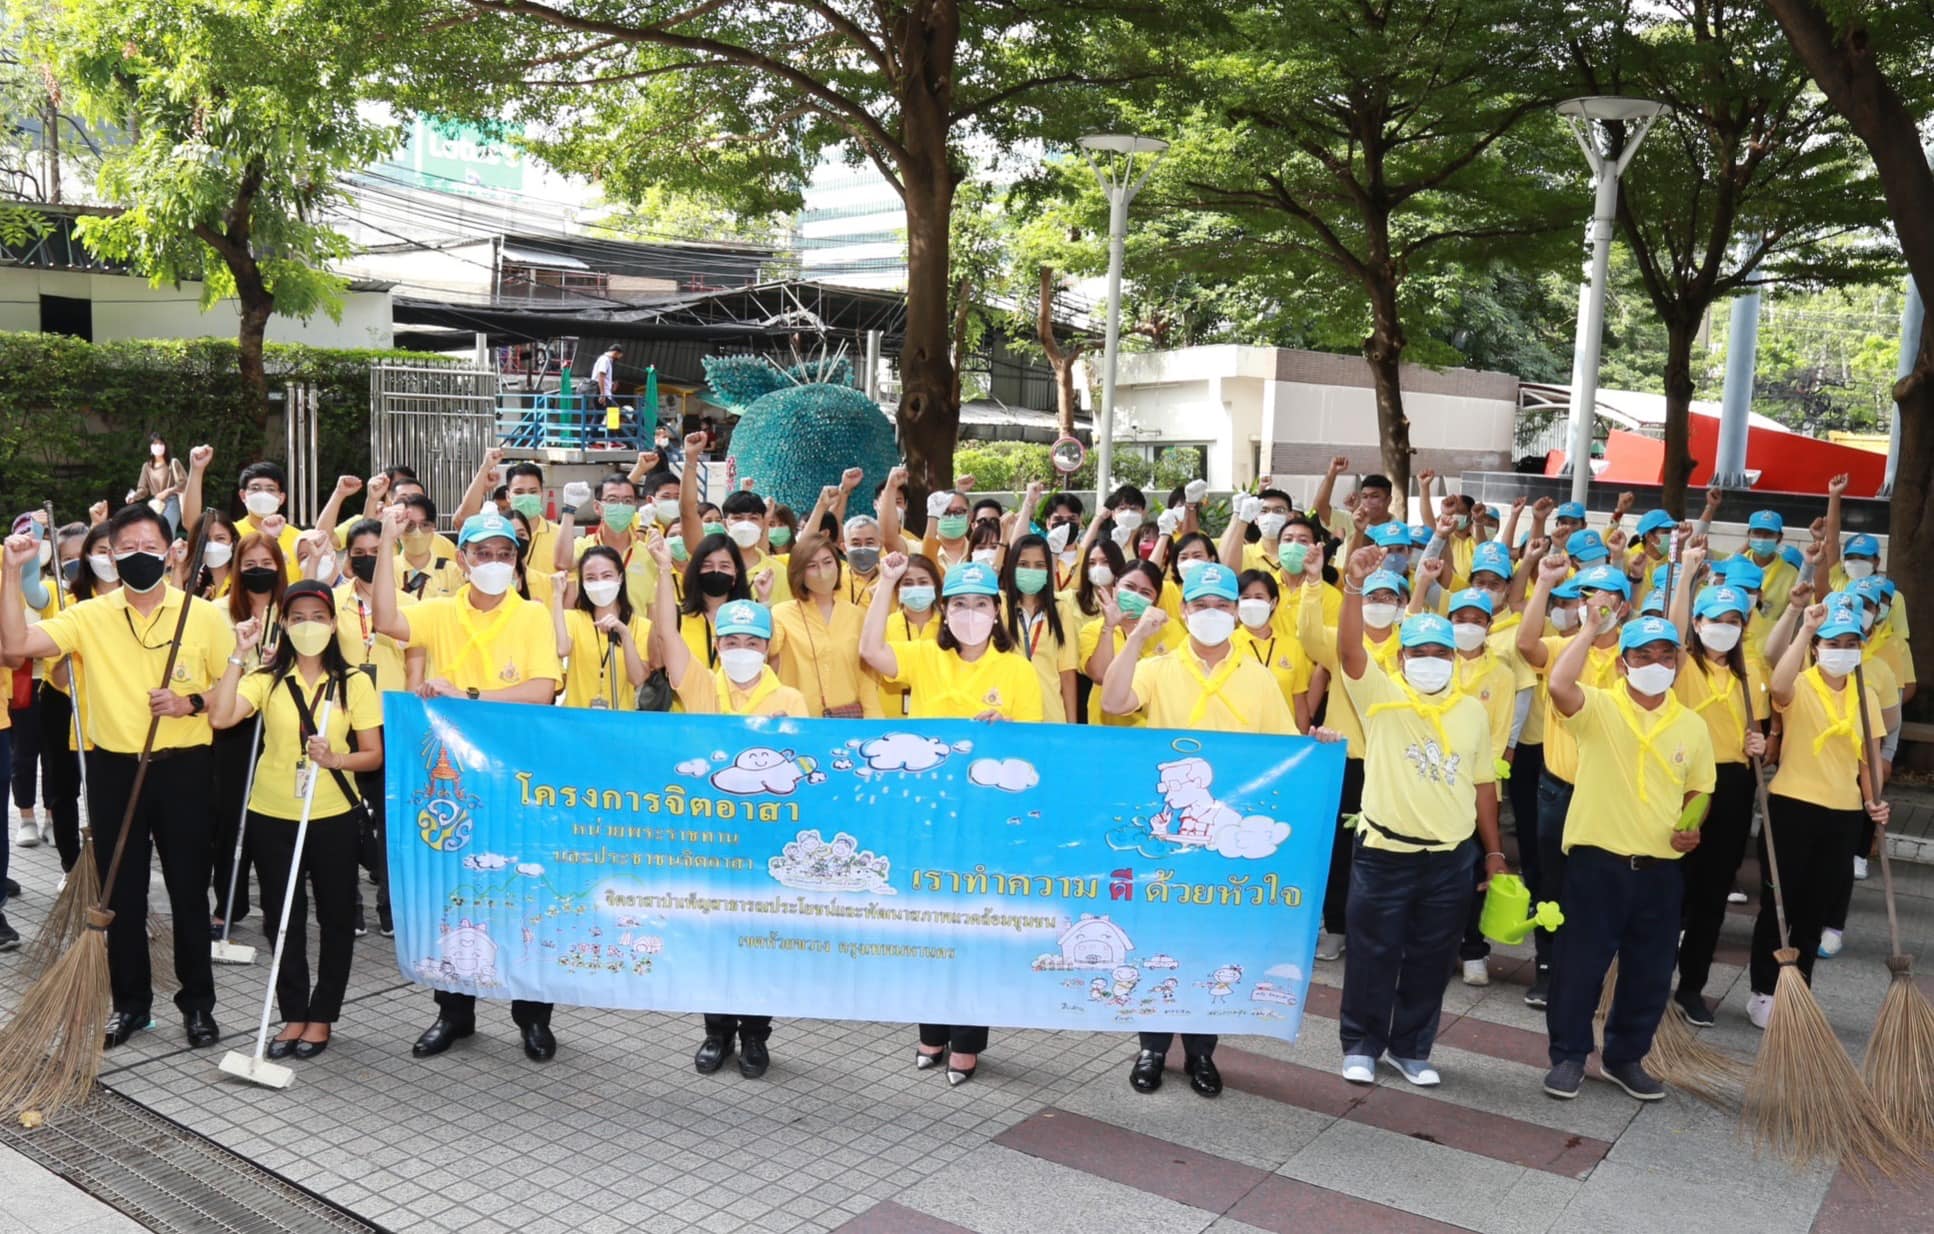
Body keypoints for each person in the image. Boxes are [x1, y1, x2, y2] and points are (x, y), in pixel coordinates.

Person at [2, 505, 236, 1049]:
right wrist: (12, 572)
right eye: (124, 548)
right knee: (121, 892)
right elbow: (14, 647)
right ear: (108, 556)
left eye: (149, 547)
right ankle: (131, 1005)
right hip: (112, 769)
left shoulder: (202, 615)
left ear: (172, 552)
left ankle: (198, 1004)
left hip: (183, 769)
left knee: (188, 890)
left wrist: (191, 701)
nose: (137, 557)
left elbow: (236, 691)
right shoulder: (89, 615)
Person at [370, 506, 563, 1061]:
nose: (495, 563)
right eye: (484, 553)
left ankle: (533, 1017)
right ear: (463, 559)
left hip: (517, 777)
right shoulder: (439, 611)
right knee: (455, 891)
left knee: (524, 891)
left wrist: (470, 697)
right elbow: (385, 618)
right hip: (455, 784)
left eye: (505, 554)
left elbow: (543, 689)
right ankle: (454, 1013)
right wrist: (386, 539)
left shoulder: (530, 616)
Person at [1101, 561, 1298, 1096]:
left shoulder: (1259, 678)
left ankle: (1202, 1052)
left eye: (1222, 605)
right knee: (1158, 938)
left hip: (1222, 842)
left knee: (1214, 941)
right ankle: (1152, 1047)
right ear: (1184, 611)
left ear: (1236, 612)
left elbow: (1286, 753)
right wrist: (1136, 637)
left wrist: (1319, 745)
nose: (1212, 614)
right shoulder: (1159, 667)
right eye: (1201, 605)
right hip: (1167, 845)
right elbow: (1113, 702)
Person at [862, 556, 1042, 1087]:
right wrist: (887, 582)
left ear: (996, 611)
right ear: (944, 611)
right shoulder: (924, 656)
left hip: (986, 820)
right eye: (959, 604)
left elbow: (1036, 748)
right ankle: (931, 1033)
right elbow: (871, 651)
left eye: (980, 604)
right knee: (930, 924)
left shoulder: (1018, 670)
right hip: (928, 819)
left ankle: (966, 1042)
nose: (969, 613)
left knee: (974, 930)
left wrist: (1008, 729)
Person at [1327, 539, 1498, 1088]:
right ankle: (1361, 1044)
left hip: (1450, 859)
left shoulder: (1472, 711)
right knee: (1373, 954)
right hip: (1385, 854)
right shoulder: (1381, 698)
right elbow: (1350, 653)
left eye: (1439, 653)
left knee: (1432, 957)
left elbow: (1483, 782)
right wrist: (1354, 586)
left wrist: (1493, 853)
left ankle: (1411, 1048)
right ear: (1401, 659)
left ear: (1453, 659)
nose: (1429, 661)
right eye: (1418, 653)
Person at [1541, 614, 1715, 1101]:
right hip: (1597, 862)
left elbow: (1700, 788)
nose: (1655, 664)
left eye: (1665, 655)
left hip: (1660, 869)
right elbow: (1558, 684)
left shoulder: (1692, 725)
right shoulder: (1598, 707)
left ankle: (1625, 1058)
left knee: (1651, 971)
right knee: (1579, 966)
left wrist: (1693, 826)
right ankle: (1569, 1056)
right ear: (1622, 664)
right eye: (1643, 655)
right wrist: (1588, 630)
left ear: (1678, 663)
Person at [651, 536, 806, 1077]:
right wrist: (663, 572)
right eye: (732, 640)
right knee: (714, 938)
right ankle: (716, 1033)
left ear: (767, 647)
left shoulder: (790, 700)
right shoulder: (700, 687)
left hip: (767, 842)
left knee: (760, 940)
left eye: (752, 641)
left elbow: (802, 774)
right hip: (712, 839)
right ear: (717, 645)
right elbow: (667, 634)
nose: (742, 649)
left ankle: (756, 1036)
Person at [207, 581, 382, 1059]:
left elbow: (372, 754)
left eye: (318, 617)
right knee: (282, 917)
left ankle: (322, 1015)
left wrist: (336, 759)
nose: (309, 626)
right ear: (283, 624)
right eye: (298, 617)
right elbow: (221, 718)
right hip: (271, 814)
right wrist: (238, 654)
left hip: (333, 815)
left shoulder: (354, 682)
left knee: (336, 916)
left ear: (333, 624)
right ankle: (293, 1013)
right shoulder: (265, 678)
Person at [1743, 596, 1890, 1029]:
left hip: (1843, 814)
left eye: (1851, 643)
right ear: (1816, 647)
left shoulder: (1866, 696)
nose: (1842, 650)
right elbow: (1778, 685)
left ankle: (1799, 991)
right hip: (1792, 807)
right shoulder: (1801, 683)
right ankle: (1763, 991)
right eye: (1833, 643)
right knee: (1780, 906)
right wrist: (1806, 627)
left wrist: (1874, 801)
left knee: (1815, 910)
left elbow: (1869, 759)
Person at [1514, 558, 1632, 1009]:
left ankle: (1593, 972)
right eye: (1586, 597)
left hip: (1609, 793)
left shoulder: (1632, 656)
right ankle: (1547, 969)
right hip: (1559, 788)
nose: (1595, 605)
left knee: (1600, 884)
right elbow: (1526, 644)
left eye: (1606, 598)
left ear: (1624, 606)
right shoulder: (1563, 645)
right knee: (1552, 883)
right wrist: (1545, 582)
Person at [1662, 580, 1768, 1026]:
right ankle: (1650, 977)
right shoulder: (1683, 665)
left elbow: (1762, 733)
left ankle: (1691, 986)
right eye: (1714, 620)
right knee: (1669, 883)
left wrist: (1762, 744)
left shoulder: (1750, 674)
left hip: (1732, 785)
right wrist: (1687, 571)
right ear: (1697, 623)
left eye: (1733, 621)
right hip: (1683, 781)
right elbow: (1671, 631)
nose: (1723, 628)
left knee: (1712, 890)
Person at [1296, 539, 1408, 962]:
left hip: (1393, 763)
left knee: (1387, 848)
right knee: (1340, 849)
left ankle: (1380, 928)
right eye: (1372, 596)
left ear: (1401, 605)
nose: (1379, 604)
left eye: (1388, 598)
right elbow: (1308, 636)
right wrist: (1313, 582)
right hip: (1346, 761)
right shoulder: (1343, 641)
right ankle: (1337, 926)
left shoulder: (1411, 647)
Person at [211, 531, 288, 937]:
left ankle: (279, 904)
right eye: (250, 565)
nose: (259, 572)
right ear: (238, 570)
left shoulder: (292, 611)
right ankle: (228, 902)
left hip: (282, 725)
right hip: (235, 726)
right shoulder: (219, 612)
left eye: (267, 564)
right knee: (230, 818)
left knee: (275, 818)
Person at [769, 535, 877, 717]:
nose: (822, 572)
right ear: (799, 573)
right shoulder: (780, 613)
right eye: (812, 566)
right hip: (797, 718)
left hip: (846, 721)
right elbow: (769, 649)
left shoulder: (856, 615)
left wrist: (873, 720)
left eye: (827, 562)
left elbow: (866, 678)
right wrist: (765, 601)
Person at [551, 546, 651, 710]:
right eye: (591, 578)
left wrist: (625, 634)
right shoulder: (573, 618)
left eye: (606, 576)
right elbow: (562, 649)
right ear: (583, 583)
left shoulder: (642, 626)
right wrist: (557, 595)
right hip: (576, 718)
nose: (599, 583)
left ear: (620, 578)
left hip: (618, 719)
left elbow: (638, 678)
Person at [1001, 533, 1079, 723]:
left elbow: (1067, 673)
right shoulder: (999, 604)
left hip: (1050, 716)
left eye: (1039, 565)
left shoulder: (1060, 610)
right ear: (1011, 567)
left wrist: (1071, 728)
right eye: (1023, 564)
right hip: (1005, 716)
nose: (1031, 570)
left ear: (1048, 569)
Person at [392, 493, 465, 601]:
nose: (417, 533)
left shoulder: (452, 571)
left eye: (425, 525)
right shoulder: (387, 569)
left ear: (434, 527)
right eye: (409, 525)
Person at [130, 433, 189, 534]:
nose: (158, 446)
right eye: (155, 443)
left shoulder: (173, 463)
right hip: (156, 504)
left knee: (167, 530)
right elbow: (143, 489)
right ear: (150, 447)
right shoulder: (147, 467)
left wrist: (168, 491)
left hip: (172, 502)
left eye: (161, 443)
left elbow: (184, 482)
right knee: (154, 533)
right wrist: (134, 496)